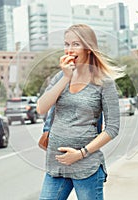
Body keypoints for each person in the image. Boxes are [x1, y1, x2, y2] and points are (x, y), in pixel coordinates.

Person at [37, 24, 120, 200]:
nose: (69, 49)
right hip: (56, 165)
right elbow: (41, 108)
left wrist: (80, 153)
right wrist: (66, 77)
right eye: (66, 44)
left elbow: (112, 128)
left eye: (75, 44)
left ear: (88, 49)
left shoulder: (104, 82)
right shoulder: (60, 77)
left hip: (86, 166)